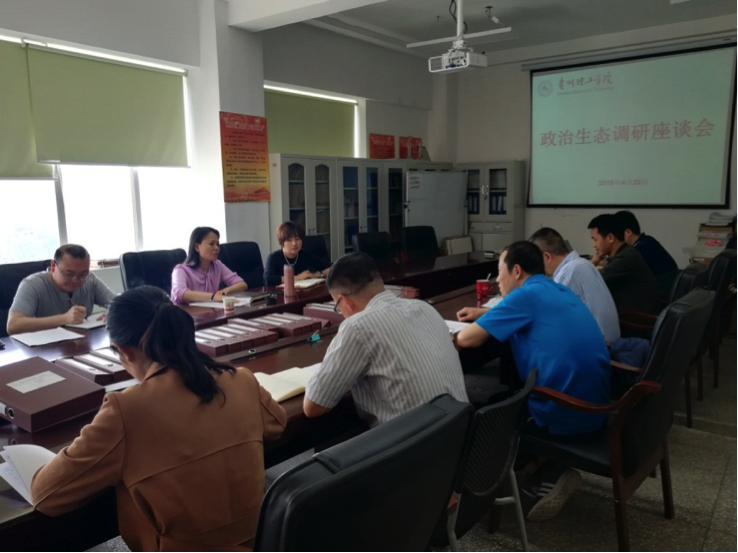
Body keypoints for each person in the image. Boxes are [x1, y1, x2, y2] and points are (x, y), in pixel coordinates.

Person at [31, 286, 287, 552]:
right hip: (263, 541)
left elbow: (46, 495)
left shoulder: (125, 409)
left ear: (123, 351)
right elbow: (277, 423)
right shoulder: (240, 378)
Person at [455, 241, 610, 522]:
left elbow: (467, 339)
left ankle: (543, 471)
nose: (497, 280)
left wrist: (469, 326)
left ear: (516, 271)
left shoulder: (524, 296)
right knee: (510, 391)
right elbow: (531, 314)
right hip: (596, 405)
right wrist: (485, 314)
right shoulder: (556, 288)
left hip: (564, 413)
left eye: (499, 272)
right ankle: (546, 471)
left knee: (489, 409)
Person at [303, 252, 468, 427]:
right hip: (465, 432)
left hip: (419, 442)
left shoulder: (357, 326)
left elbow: (313, 406)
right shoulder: (424, 307)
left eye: (338, 307)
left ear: (344, 300)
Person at [529, 227, 620, 341]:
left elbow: (547, 316)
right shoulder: (582, 264)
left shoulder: (569, 272)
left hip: (600, 345)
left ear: (547, 256)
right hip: (608, 342)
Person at [7, 244, 116, 335]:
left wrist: (114, 312)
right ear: (53, 266)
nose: (76, 280)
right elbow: (13, 325)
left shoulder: (90, 280)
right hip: (44, 347)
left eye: (83, 274)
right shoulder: (32, 284)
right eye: (69, 274)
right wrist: (64, 319)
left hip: (82, 344)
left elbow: (119, 304)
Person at [588, 214, 662, 315]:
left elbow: (591, 279)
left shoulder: (626, 257)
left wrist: (593, 262)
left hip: (635, 318)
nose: (593, 245)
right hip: (633, 311)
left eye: (595, 239)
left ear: (610, 238)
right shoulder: (626, 252)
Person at [170, 227, 247, 305]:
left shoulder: (217, 265)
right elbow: (179, 293)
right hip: (187, 312)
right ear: (197, 247)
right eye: (211, 244)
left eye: (217, 244)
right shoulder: (180, 270)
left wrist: (226, 290)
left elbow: (242, 284)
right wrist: (213, 296)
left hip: (211, 310)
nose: (216, 248)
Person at [615, 210, 679, 296]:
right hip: (669, 289)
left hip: (661, 293)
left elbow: (621, 270)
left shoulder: (639, 249)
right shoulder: (647, 240)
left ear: (628, 232)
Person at [263, 222, 331, 286]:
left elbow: (330, 267)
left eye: (297, 239)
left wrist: (317, 275)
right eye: (289, 240)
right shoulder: (273, 258)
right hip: (281, 293)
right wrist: (298, 277)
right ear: (282, 242)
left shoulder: (304, 255)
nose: (294, 243)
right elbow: (268, 279)